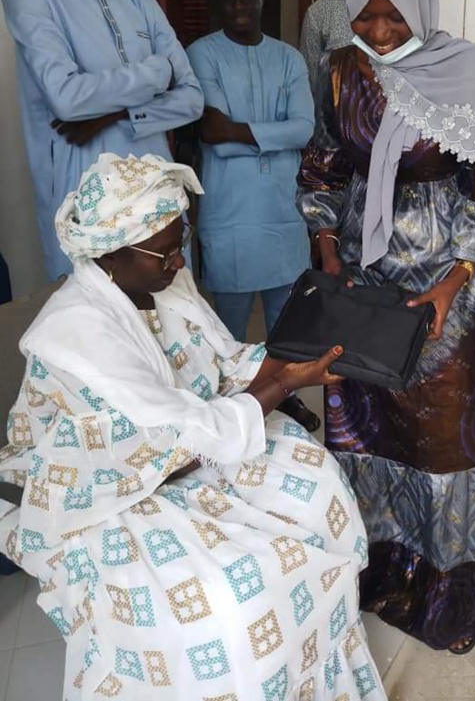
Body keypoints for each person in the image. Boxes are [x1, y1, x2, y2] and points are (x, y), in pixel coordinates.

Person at [0, 153, 387, 701]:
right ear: (113, 252)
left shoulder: (159, 283)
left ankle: (314, 676)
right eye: (166, 252)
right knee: (228, 603)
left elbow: (220, 361)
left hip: (199, 444)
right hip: (110, 486)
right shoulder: (74, 332)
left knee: (320, 486)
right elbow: (169, 437)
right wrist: (282, 386)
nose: (179, 263)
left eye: (180, 244)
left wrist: (291, 358)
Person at [297, 0, 475, 655]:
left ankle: (448, 603)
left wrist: (453, 281)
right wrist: (327, 244)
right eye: (365, 9)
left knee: (441, 442)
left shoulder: (466, 68)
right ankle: (374, 576)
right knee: (360, 427)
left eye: (393, 12)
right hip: (366, 285)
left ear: (422, 0)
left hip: (442, 295)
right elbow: (326, 161)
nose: (378, 26)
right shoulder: (343, 68)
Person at [0, 0, 203, 280]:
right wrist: (157, 73)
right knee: (98, 327)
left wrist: (118, 113)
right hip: (84, 198)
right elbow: (69, 99)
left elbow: (192, 100)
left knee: (172, 327)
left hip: (157, 193)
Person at [187, 0, 320, 432]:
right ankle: (232, 411)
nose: (241, 4)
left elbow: (303, 129)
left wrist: (238, 130)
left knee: (288, 323)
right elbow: (212, 134)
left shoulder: (288, 59)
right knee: (228, 329)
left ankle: (284, 398)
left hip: (283, 211)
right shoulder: (201, 54)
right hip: (230, 212)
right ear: (217, 3)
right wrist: (266, 133)